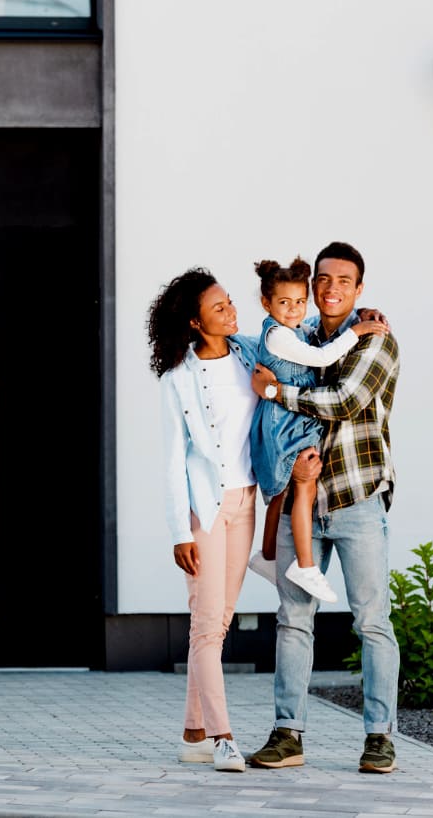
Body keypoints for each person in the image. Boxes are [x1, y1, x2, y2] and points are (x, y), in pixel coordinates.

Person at [249, 241, 400, 774]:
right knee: (293, 619)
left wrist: (275, 395)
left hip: (356, 500)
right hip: (303, 502)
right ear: (312, 285)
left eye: (343, 281)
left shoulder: (376, 341)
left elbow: (343, 402)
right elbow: (258, 353)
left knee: (372, 623)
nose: (330, 288)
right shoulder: (296, 334)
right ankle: (288, 733)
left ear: (359, 290)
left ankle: (380, 738)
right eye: (323, 279)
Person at [146, 267, 261, 773]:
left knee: (218, 623)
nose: (232, 311)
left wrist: (360, 322)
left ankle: (192, 732)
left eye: (231, 302)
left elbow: (298, 340)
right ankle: (222, 737)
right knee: (206, 626)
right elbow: (174, 459)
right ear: (195, 322)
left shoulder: (250, 354)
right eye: (220, 308)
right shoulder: (179, 379)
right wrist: (178, 532)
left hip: (247, 502)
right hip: (206, 512)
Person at [250, 258, 388, 603]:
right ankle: (304, 565)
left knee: (282, 492)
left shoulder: (297, 328)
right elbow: (323, 357)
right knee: (302, 486)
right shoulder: (284, 336)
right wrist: (356, 330)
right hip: (287, 424)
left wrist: (360, 315)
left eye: (299, 302)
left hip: (339, 476)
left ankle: (267, 557)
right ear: (267, 304)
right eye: (285, 303)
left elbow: (344, 398)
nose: (295, 309)